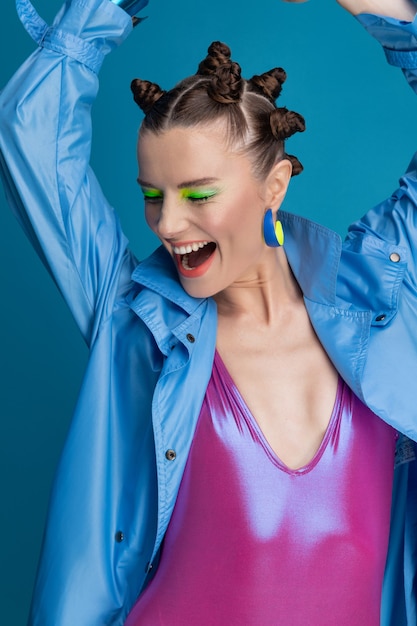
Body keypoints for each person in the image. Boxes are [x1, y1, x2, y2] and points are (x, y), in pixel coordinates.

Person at [1, 0, 417, 623]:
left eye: (198, 194)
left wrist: (380, 7)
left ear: (273, 187)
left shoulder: (381, 297)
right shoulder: (137, 321)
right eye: (152, 196)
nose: (168, 224)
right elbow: (28, 132)